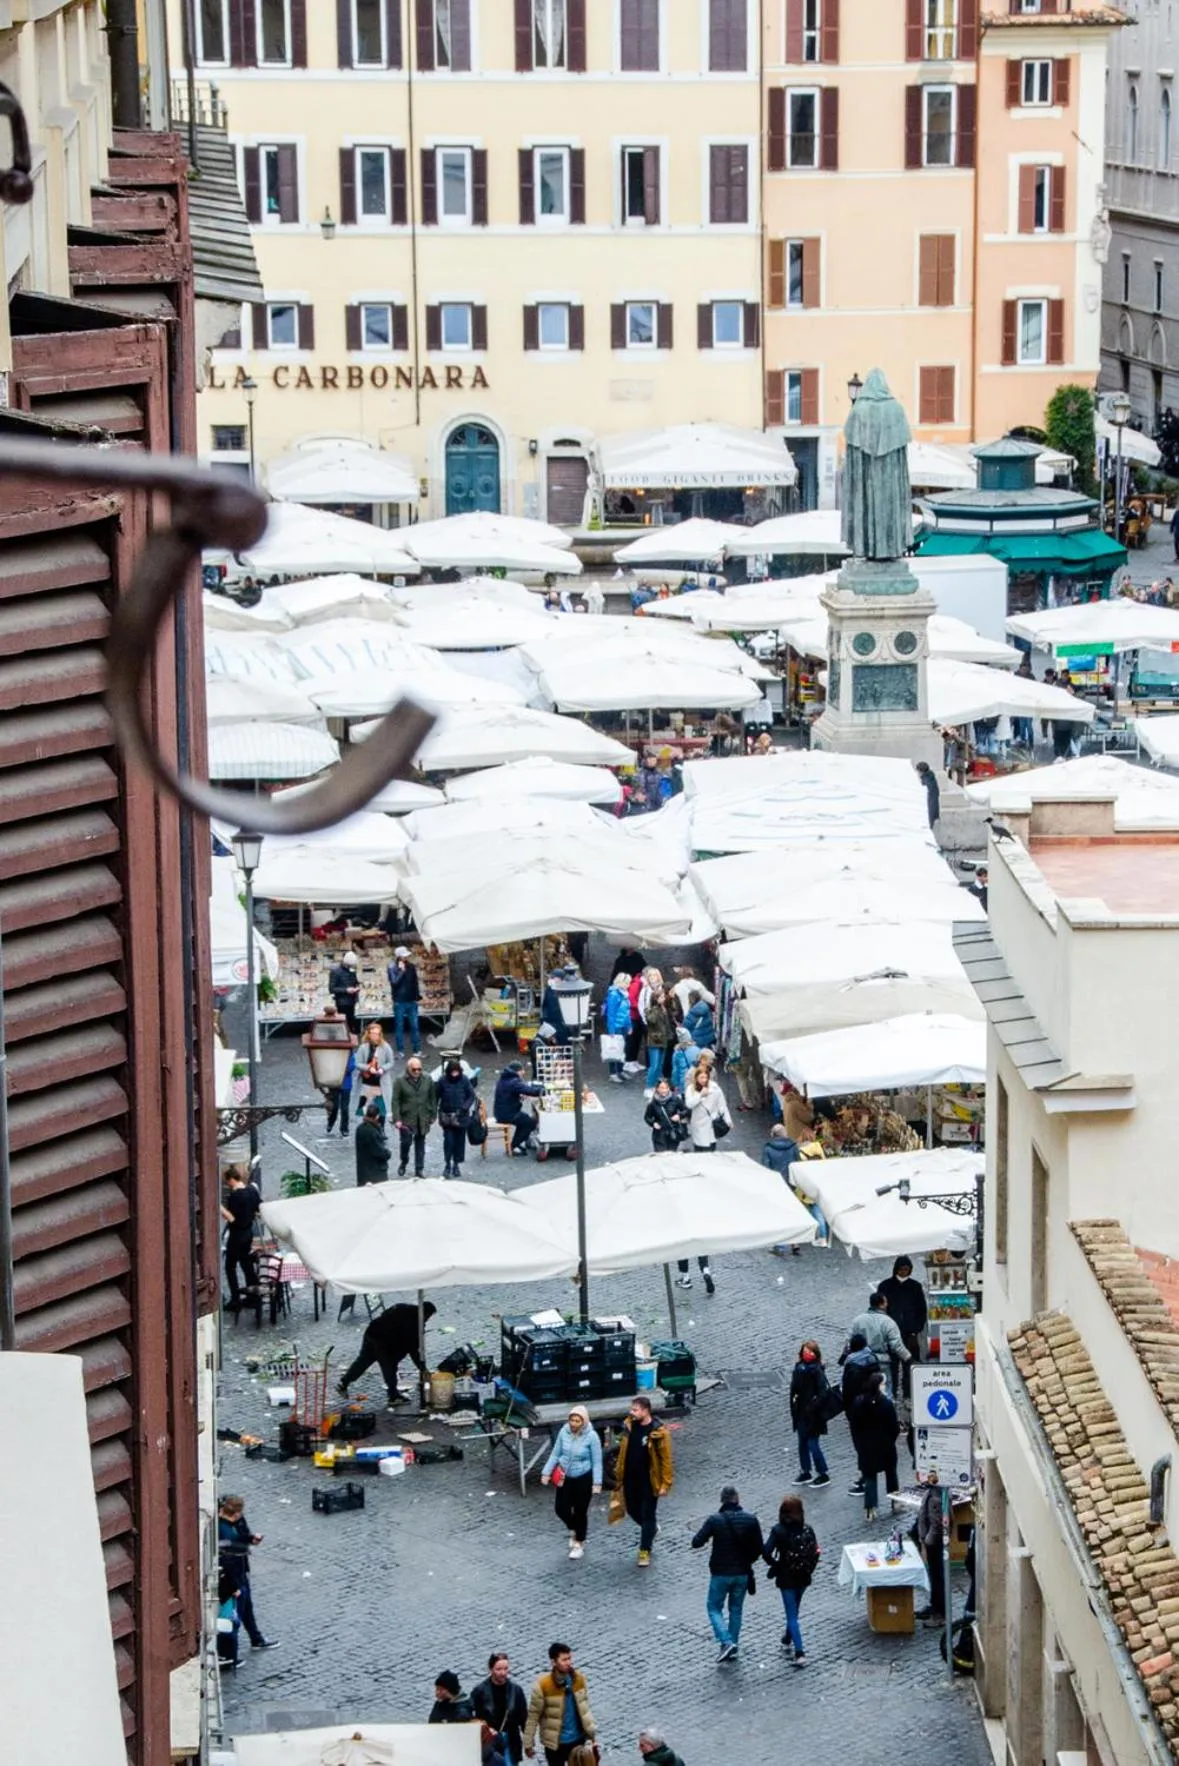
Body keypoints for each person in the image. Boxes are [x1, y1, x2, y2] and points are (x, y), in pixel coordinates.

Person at [691, 1483, 764, 1663]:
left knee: (714, 1607)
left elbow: (696, 1542)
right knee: (736, 1609)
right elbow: (759, 1547)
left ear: (722, 1500)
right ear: (737, 1499)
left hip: (721, 1573)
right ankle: (734, 1645)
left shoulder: (715, 1520)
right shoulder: (751, 1519)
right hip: (742, 1573)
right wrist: (748, 1561)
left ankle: (726, 1641)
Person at [609, 1394, 674, 1565]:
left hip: (649, 1480)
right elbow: (623, 1450)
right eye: (632, 1409)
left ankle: (644, 1550)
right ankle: (651, 1529)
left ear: (646, 1411)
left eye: (636, 1410)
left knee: (648, 1513)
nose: (632, 1412)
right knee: (631, 1509)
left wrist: (665, 1484)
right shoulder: (630, 1425)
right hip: (630, 1478)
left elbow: (666, 1460)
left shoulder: (658, 1432)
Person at [337, 1300, 437, 1406]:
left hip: (372, 1333)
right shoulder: (414, 1325)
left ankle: (344, 1382)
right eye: (428, 1317)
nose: (427, 1320)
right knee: (389, 1366)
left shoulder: (402, 1306)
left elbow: (384, 1315)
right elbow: (413, 1350)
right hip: (384, 1342)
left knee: (363, 1361)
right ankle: (393, 1396)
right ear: (425, 1314)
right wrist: (423, 1369)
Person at [762, 1494, 821, 1666]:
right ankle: (787, 1638)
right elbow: (815, 1551)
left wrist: (776, 1564)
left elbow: (766, 1552)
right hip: (803, 1576)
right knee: (794, 1609)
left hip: (787, 1578)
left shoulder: (778, 1530)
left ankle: (800, 1653)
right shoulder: (807, 1529)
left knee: (791, 1615)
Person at [541, 1404, 604, 1559]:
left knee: (580, 1511)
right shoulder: (564, 1432)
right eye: (572, 1420)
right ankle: (574, 1528)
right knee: (560, 1508)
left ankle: (579, 1542)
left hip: (583, 1477)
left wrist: (597, 1483)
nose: (574, 1424)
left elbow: (597, 1461)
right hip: (565, 1476)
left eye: (578, 1421)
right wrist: (546, 1472)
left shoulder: (592, 1437)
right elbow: (556, 1454)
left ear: (584, 1422)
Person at [217, 1495, 278, 1651]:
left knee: (247, 1607)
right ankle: (229, 1653)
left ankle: (255, 1638)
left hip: (241, 1570)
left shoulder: (235, 1521)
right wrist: (233, 1586)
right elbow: (229, 1555)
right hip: (233, 1575)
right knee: (236, 1611)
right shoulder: (222, 1529)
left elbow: (243, 1534)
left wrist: (250, 1538)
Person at [523, 1643, 596, 1766]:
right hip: (555, 1744)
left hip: (577, 1740)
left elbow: (585, 1710)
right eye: (564, 1660)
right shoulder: (543, 1685)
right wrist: (528, 1743)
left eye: (569, 1659)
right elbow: (533, 1715)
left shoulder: (578, 1679)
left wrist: (592, 1736)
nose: (568, 1663)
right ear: (554, 1662)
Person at [850, 1370, 900, 1521]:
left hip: (866, 1447)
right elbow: (894, 1427)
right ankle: (895, 1501)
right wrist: (890, 1440)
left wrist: (858, 1444)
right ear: (879, 1386)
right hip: (885, 1445)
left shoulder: (858, 1402)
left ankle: (870, 1508)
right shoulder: (886, 1404)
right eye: (883, 1384)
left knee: (869, 1476)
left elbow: (854, 1427)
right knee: (891, 1473)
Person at [877, 1255, 928, 1396]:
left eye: (907, 1269)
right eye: (901, 1269)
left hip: (910, 1335)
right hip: (890, 1335)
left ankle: (908, 1394)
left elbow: (921, 1311)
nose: (904, 1272)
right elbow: (880, 1310)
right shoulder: (885, 1286)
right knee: (891, 1367)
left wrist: (915, 1330)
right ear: (896, 1269)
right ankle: (891, 1393)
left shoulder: (915, 1287)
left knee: (909, 1367)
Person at [789, 1341, 832, 1488]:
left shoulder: (816, 1370)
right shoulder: (799, 1368)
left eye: (810, 1351)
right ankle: (805, 1470)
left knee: (813, 1443)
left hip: (813, 1414)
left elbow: (822, 1392)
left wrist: (812, 1407)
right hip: (800, 1412)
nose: (807, 1354)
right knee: (802, 1442)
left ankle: (823, 1472)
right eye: (805, 1351)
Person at [848, 1289, 911, 1390]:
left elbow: (848, 1343)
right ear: (882, 1304)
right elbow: (896, 1345)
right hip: (881, 1361)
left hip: (860, 1362)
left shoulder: (857, 1321)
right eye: (886, 1302)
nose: (887, 1305)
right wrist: (908, 1358)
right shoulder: (888, 1322)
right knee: (885, 1390)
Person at [472, 1654, 529, 1765]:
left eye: (506, 1669)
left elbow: (524, 1718)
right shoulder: (480, 1691)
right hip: (490, 1740)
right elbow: (470, 1713)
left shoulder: (516, 1690)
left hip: (511, 1739)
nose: (503, 1673)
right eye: (498, 1669)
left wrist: (528, 1742)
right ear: (491, 1669)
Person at [221, 1167, 260, 1311]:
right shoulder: (252, 1191)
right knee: (246, 1263)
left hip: (237, 1235)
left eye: (227, 1182)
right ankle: (253, 1296)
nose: (227, 1185)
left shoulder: (235, 1197)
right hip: (248, 1233)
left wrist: (220, 1208)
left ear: (231, 1180)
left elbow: (232, 1218)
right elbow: (258, 1209)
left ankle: (235, 1299)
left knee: (230, 1267)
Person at [392, 1054, 438, 1176]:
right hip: (407, 1118)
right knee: (406, 1143)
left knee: (420, 1144)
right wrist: (397, 1119)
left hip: (422, 1117)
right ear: (408, 1069)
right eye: (414, 1069)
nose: (417, 1071)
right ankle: (404, 1162)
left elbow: (432, 1098)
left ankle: (419, 1169)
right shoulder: (400, 1081)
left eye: (419, 1069)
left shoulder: (428, 1079)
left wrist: (433, 1114)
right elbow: (395, 1100)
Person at [914, 1479, 947, 1625]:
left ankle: (939, 1613)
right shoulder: (934, 1492)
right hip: (931, 1541)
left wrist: (926, 1543)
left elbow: (936, 1524)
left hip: (933, 1543)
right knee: (935, 1576)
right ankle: (935, 1606)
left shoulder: (936, 1495)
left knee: (936, 1576)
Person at [494, 1060, 544, 1155]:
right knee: (529, 1122)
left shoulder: (504, 1079)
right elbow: (529, 1090)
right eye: (522, 1070)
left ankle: (517, 1143)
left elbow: (508, 1094)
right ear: (517, 1071)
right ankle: (514, 1146)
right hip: (507, 1114)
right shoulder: (514, 1082)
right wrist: (542, 1090)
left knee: (525, 1119)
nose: (523, 1072)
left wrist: (518, 1097)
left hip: (502, 1111)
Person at [437, 1057, 477, 1177]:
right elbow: (436, 1096)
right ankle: (447, 1164)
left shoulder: (464, 1080)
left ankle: (456, 1164)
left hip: (461, 1117)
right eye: (452, 1072)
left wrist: (464, 1108)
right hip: (447, 1117)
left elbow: (471, 1095)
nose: (455, 1074)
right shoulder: (442, 1080)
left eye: (457, 1072)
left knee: (460, 1141)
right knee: (448, 1141)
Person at [684, 1061, 731, 1151]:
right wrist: (700, 1095)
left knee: (710, 1149)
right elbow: (689, 1104)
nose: (704, 1080)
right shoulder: (690, 1089)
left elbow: (722, 1104)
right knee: (699, 1149)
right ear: (696, 1077)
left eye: (706, 1077)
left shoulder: (715, 1087)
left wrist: (727, 1119)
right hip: (698, 1124)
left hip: (711, 1124)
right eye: (701, 1077)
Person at [355, 1021, 394, 1120]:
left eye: (377, 1034)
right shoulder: (363, 1047)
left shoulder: (385, 1047)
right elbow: (357, 1063)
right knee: (364, 1109)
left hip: (380, 1083)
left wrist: (382, 1069)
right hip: (366, 1082)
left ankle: (381, 1129)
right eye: (373, 1034)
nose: (375, 1036)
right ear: (368, 1034)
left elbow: (391, 1062)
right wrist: (368, 1068)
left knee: (381, 1109)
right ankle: (365, 1126)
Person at [642, 973, 673, 1095]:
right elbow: (652, 1020)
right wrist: (655, 1007)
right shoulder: (653, 1010)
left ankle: (656, 1086)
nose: (664, 998)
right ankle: (649, 1086)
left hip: (663, 1040)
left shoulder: (663, 1008)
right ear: (656, 999)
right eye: (661, 997)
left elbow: (666, 1024)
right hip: (654, 1041)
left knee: (659, 1065)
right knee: (654, 1065)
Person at [389, 945, 422, 1055]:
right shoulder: (392, 967)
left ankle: (417, 1049)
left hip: (411, 1000)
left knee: (415, 1026)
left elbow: (415, 983)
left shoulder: (411, 967)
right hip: (399, 1001)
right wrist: (401, 972)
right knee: (399, 1027)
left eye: (406, 956)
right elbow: (394, 983)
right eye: (404, 956)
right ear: (398, 956)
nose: (406, 958)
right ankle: (400, 1050)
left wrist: (417, 997)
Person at [602, 972, 633, 1083]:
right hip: (616, 1027)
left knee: (621, 1049)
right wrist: (611, 1030)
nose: (629, 985)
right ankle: (613, 1072)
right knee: (614, 1049)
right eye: (627, 983)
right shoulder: (614, 994)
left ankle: (620, 1070)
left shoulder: (624, 993)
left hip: (623, 1025)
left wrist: (629, 1025)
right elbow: (611, 1014)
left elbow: (627, 1012)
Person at [644, 1078, 689, 1152]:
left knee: (671, 1154)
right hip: (659, 1134)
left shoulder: (675, 1099)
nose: (664, 1090)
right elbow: (647, 1117)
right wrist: (653, 1123)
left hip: (673, 1132)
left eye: (666, 1088)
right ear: (657, 1089)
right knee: (661, 1155)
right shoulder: (652, 1103)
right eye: (661, 1088)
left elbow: (686, 1110)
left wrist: (679, 1115)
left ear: (669, 1088)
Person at [324, 1036, 355, 1137]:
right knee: (335, 1106)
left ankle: (344, 1128)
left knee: (345, 1108)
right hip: (335, 1083)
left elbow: (351, 1066)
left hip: (346, 1084)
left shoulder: (350, 1053)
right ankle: (330, 1122)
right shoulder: (334, 1053)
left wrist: (341, 1068)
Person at [355, 1101, 392, 1186]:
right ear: (377, 1116)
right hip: (376, 1173)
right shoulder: (372, 1131)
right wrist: (388, 1153)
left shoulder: (360, 1128)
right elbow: (379, 1152)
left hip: (363, 1171)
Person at [328, 950, 361, 1033]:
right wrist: (346, 990)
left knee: (350, 1022)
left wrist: (357, 987)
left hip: (351, 1001)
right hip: (342, 1002)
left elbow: (355, 982)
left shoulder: (352, 970)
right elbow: (332, 989)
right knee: (344, 1024)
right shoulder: (336, 972)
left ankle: (351, 1037)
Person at [670, 1027, 701, 1093]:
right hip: (696, 1081)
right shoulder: (697, 1050)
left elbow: (675, 1071)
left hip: (683, 1084)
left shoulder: (677, 1053)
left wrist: (675, 1085)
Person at [915, 760, 940, 831]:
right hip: (934, 796)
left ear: (921, 771)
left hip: (932, 797)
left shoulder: (927, 779)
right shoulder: (929, 776)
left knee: (931, 812)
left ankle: (931, 826)